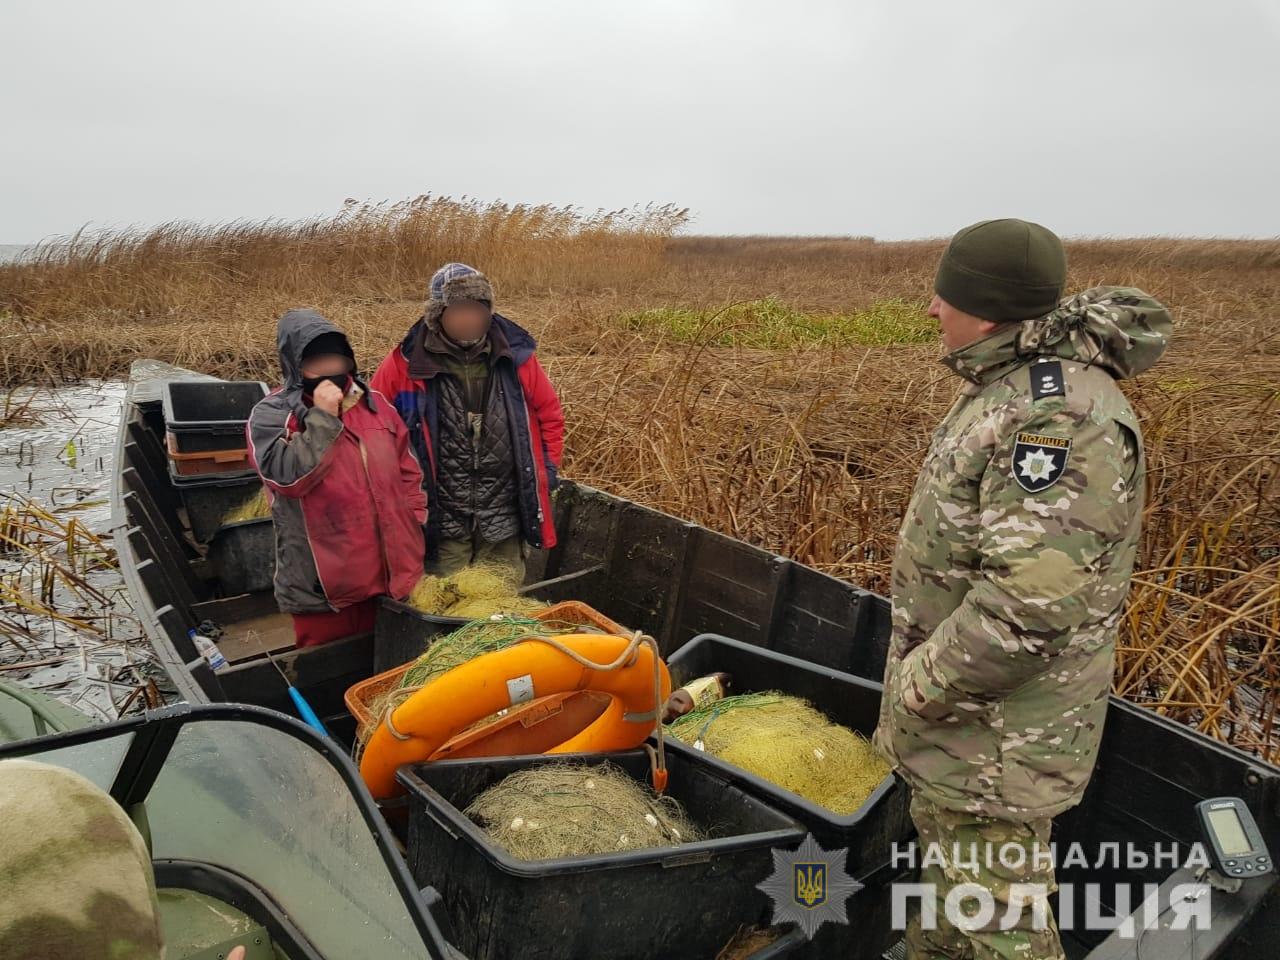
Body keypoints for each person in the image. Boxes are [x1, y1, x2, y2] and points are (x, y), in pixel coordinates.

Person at [872, 219, 1172, 960]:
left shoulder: (1058, 414)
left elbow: (1030, 608)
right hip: (964, 736)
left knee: (999, 933)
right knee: (948, 921)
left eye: (945, 294)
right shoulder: (1010, 386)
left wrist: (917, 688)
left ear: (987, 304)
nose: (933, 310)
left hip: (998, 746)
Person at [371, 263, 564, 581]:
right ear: (437, 315)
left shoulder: (516, 358)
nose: (470, 318)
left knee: (501, 607)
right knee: (447, 601)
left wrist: (546, 469)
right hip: (442, 516)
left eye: (478, 309)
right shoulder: (403, 365)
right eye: (459, 309)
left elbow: (550, 416)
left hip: (504, 513)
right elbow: (376, 428)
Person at [248, 309, 426, 647]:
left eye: (337, 358)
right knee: (331, 677)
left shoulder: (377, 406)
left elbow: (410, 473)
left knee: (396, 668)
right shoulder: (272, 415)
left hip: (395, 582)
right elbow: (289, 479)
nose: (331, 368)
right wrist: (323, 417)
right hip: (326, 594)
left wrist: (415, 523)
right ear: (294, 365)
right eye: (318, 360)